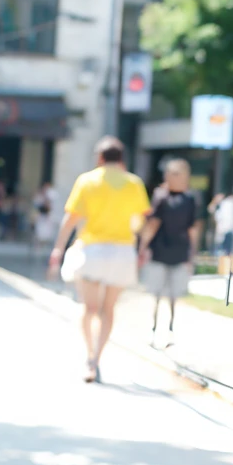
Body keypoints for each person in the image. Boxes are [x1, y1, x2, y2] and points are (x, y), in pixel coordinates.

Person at [49, 137, 150, 382]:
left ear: (100, 157)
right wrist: (143, 247)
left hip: (92, 251)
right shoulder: (134, 183)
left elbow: (71, 219)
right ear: (122, 158)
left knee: (90, 308)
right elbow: (141, 222)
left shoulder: (87, 180)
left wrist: (58, 249)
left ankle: (89, 356)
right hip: (122, 252)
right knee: (108, 309)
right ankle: (98, 357)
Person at [138, 158, 201, 339]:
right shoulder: (161, 195)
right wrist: (143, 247)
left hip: (179, 251)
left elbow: (192, 229)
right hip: (160, 251)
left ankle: (170, 329)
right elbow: (153, 225)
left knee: (174, 294)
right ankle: (154, 327)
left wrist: (192, 253)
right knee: (156, 293)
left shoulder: (190, 198)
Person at [212, 182, 233, 277]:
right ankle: (228, 270)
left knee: (230, 252)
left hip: (232, 231)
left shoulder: (230, 202)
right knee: (230, 253)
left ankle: (228, 271)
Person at [31, 181, 59, 253]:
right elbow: (36, 205)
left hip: (48, 217)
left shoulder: (52, 194)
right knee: (39, 233)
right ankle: (38, 247)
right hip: (41, 216)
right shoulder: (39, 195)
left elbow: (52, 206)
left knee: (47, 233)